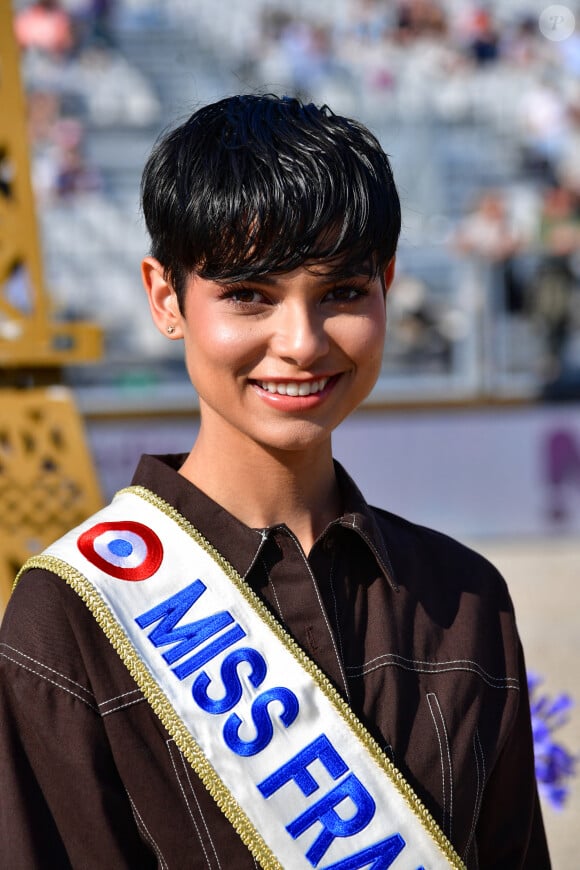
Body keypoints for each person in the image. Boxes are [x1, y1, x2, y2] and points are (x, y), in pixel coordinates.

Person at [0, 94, 550, 868]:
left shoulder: (464, 602)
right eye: (249, 296)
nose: (301, 342)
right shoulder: (73, 615)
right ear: (166, 297)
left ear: (388, 285)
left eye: (343, 293)